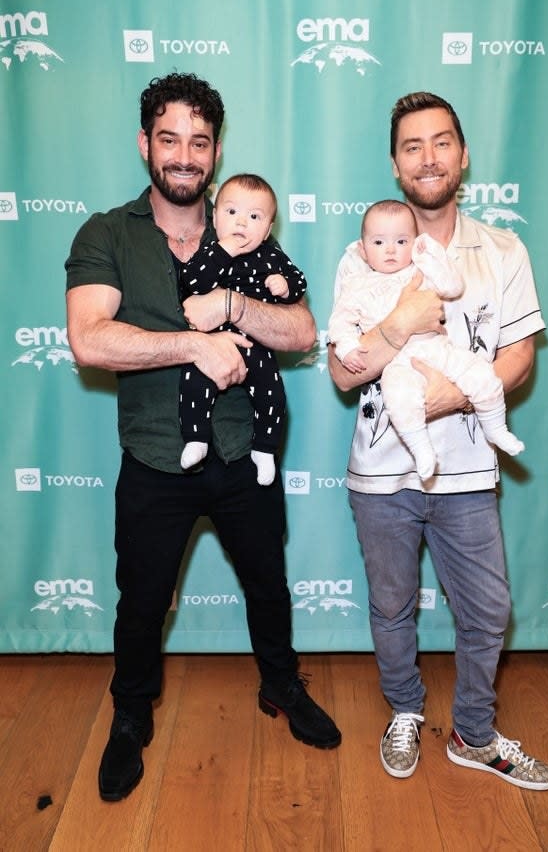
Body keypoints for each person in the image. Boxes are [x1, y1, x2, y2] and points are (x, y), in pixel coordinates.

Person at [65, 72, 341, 803]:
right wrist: (189, 344)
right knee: (142, 599)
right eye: (169, 139)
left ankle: (281, 687)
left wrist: (232, 306)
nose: (184, 155)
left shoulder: (246, 230)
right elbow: (90, 339)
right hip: (156, 456)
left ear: (215, 152)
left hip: (246, 452)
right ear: (144, 144)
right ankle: (130, 716)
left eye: (199, 140)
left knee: (267, 586)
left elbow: (302, 330)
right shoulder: (106, 232)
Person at [328, 92, 548, 789]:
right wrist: (398, 323)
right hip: (381, 474)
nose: (427, 157)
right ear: (395, 165)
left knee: (488, 609)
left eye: (440, 142)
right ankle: (403, 710)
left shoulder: (501, 249)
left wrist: (449, 396)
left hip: (466, 472)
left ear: (461, 154)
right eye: (411, 146)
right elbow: (342, 372)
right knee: (391, 606)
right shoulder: (359, 254)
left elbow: (518, 356)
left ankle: (474, 734)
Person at [328, 199, 524, 481]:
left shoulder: (420, 270)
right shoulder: (356, 284)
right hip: (398, 363)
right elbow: (340, 322)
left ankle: (496, 429)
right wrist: (347, 347)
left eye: (401, 241)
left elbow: (452, 285)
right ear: (362, 249)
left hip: (438, 348)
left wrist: (431, 253)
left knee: (481, 374)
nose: (391, 250)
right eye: (379, 243)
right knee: (399, 399)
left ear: (414, 242)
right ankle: (422, 451)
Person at [179, 172, 307, 484]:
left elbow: (300, 282)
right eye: (231, 212)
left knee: (273, 396)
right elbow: (192, 282)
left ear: (267, 230)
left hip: (256, 345)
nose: (241, 223)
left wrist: (286, 285)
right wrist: (224, 252)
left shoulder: (271, 255)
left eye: (254, 216)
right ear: (215, 217)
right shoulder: (209, 252)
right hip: (210, 342)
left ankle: (264, 449)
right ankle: (196, 439)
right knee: (194, 384)